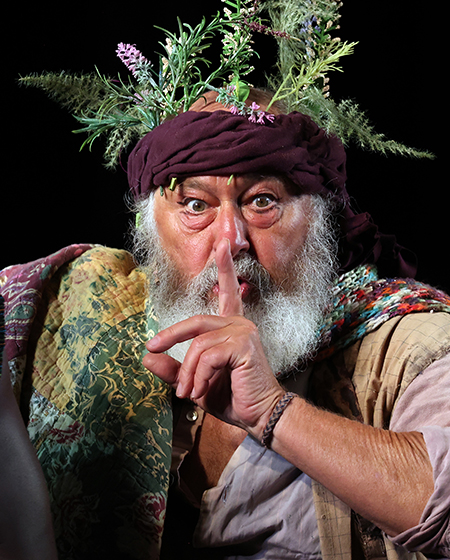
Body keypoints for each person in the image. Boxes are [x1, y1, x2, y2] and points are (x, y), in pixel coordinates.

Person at [2, 3, 449, 559]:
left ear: (319, 223)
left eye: (262, 201)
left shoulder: (404, 340)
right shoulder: (92, 312)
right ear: (151, 233)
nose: (231, 239)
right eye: (196, 205)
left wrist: (271, 411)